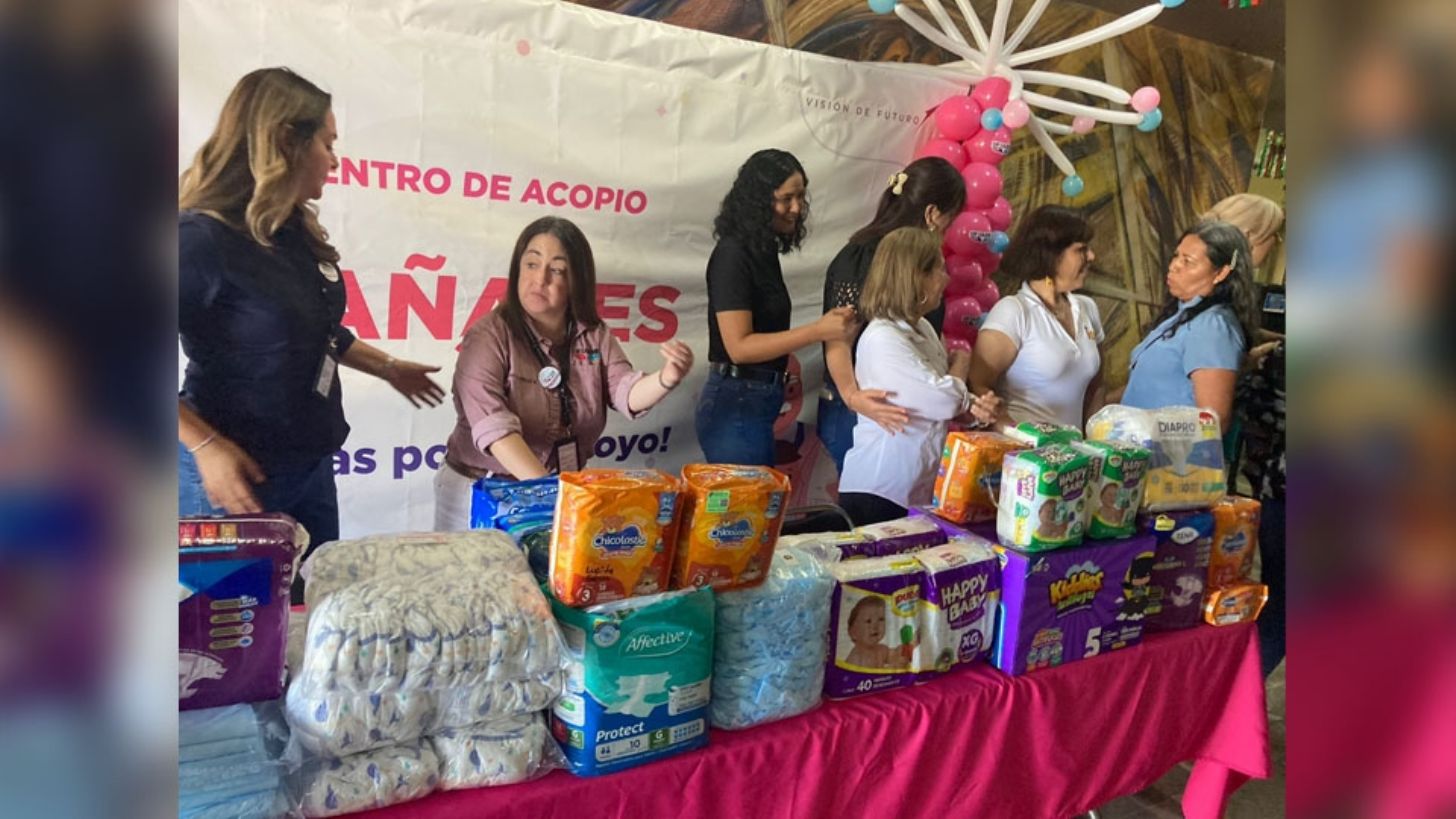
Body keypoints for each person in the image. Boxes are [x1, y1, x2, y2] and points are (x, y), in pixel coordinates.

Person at [177, 68, 445, 597]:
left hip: (310, 467)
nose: (335, 160)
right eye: (328, 143)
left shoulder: (289, 232)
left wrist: (389, 367)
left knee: (314, 616)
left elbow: (315, 332)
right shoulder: (200, 240)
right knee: (236, 633)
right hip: (235, 483)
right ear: (285, 142)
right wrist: (206, 447)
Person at [434, 216, 694, 530]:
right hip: (482, 492)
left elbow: (625, 391)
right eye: (531, 264)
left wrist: (666, 378)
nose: (539, 279)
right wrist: (552, 496)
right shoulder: (488, 336)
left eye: (556, 270)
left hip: (554, 493)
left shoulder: (593, 334)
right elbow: (496, 431)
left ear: (576, 281)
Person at [697, 148, 858, 465]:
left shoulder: (762, 249)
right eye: (786, 199)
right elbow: (739, 348)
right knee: (751, 498)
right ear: (758, 201)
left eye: (800, 197)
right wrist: (818, 331)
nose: (796, 208)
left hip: (757, 399)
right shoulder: (732, 254)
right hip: (737, 403)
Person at [836, 228, 997, 526]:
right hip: (880, 491)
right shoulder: (883, 338)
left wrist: (974, 410)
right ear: (914, 276)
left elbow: (934, 401)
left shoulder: (922, 327)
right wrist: (961, 365)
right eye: (938, 270)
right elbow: (942, 401)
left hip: (915, 488)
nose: (945, 279)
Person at [817, 157, 967, 473]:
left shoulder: (921, 267)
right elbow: (837, 336)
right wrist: (852, 396)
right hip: (864, 404)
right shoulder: (863, 256)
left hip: (912, 406)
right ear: (932, 214)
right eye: (950, 220)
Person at [970, 205, 1106, 429]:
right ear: (1052, 255)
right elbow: (977, 385)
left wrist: (1095, 440)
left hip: (1074, 449)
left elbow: (1096, 388)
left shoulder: (1088, 308)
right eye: (1081, 249)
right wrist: (1019, 436)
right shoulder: (1013, 312)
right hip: (1022, 449)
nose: (1091, 256)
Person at [1121, 221, 1258, 428]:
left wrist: (1151, 431)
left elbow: (1214, 421)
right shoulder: (1182, 314)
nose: (1174, 266)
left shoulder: (1212, 327)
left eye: (1188, 261)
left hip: (1166, 448)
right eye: (1176, 256)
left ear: (1221, 273)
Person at [844, 597, 909, 670]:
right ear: (854, 633)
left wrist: (902, 652)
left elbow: (893, 654)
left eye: (881, 619)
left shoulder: (881, 649)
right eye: (868, 621)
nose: (875, 626)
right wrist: (892, 667)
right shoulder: (856, 659)